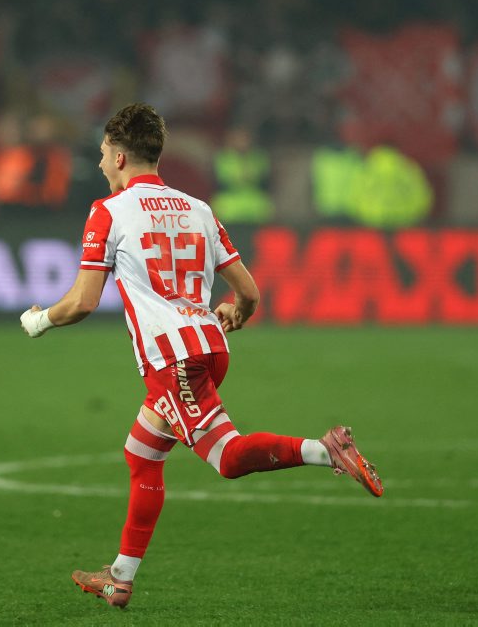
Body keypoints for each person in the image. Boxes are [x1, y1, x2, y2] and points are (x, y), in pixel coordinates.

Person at [19, 103, 382, 609]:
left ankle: (326, 449)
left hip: (173, 361)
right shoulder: (199, 209)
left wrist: (39, 321)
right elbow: (249, 293)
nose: (100, 163)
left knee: (227, 458)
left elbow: (82, 301)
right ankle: (119, 578)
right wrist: (235, 312)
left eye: (103, 153)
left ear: (120, 157)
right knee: (142, 453)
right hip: (209, 346)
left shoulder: (109, 212)